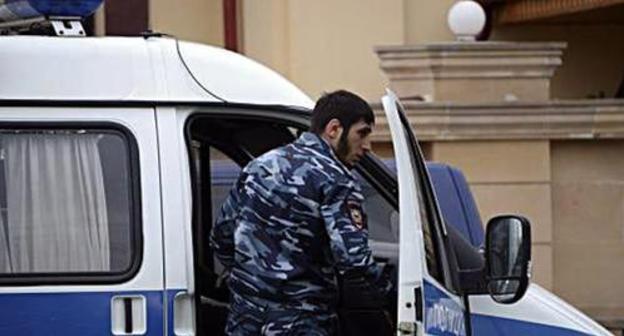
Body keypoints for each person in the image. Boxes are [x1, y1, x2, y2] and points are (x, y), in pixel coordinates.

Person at [210, 90, 392, 335]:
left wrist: (253, 279)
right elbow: (354, 261)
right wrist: (394, 292)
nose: (367, 146)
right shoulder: (336, 180)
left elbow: (221, 237)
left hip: (246, 320)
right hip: (300, 322)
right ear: (334, 129)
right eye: (362, 133)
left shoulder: (259, 167)